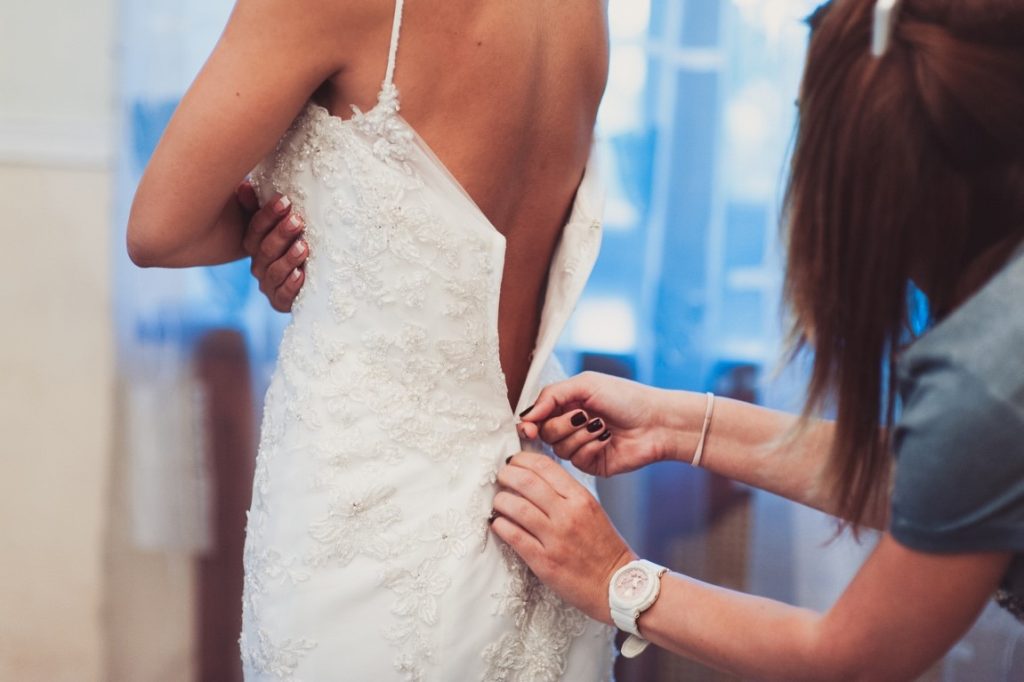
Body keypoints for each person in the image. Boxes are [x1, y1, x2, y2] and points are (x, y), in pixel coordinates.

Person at [490, 0, 1024, 679]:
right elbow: (947, 478)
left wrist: (617, 578)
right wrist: (674, 423)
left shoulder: (985, 373)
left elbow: (855, 656)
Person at [126, 0, 616, 678]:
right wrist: (326, 241)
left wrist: (294, 236)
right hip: (529, 518)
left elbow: (159, 229)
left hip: (362, 531)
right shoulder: (583, 13)